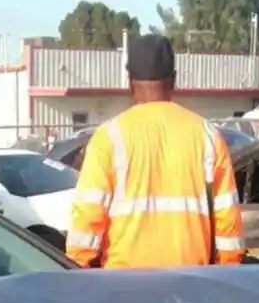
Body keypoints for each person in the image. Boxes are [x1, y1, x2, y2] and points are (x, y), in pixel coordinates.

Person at [66, 35, 244, 269]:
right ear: (174, 80)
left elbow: (87, 219)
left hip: (124, 289)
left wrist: (77, 271)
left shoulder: (108, 138)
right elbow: (227, 223)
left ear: (130, 83)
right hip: (191, 285)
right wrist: (224, 275)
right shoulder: (207, 136)